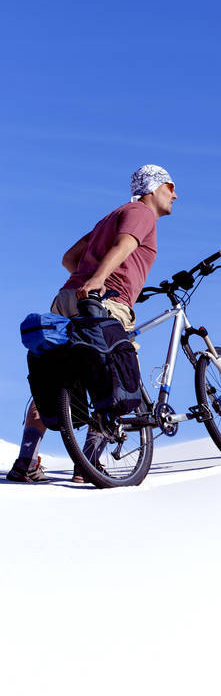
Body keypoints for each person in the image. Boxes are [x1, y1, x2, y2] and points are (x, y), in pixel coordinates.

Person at [6, 165, 177, 483]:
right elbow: (125, 245)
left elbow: (69, 259)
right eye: (169, 186)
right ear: (152, 188)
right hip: (102, 299)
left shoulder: (109, 218)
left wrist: (87, 279)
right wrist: (101, 280)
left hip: (68, 297)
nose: (174, 194)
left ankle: (26, 462)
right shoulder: (141, 212)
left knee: (57, 377)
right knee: (114, 374)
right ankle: (87, 466)